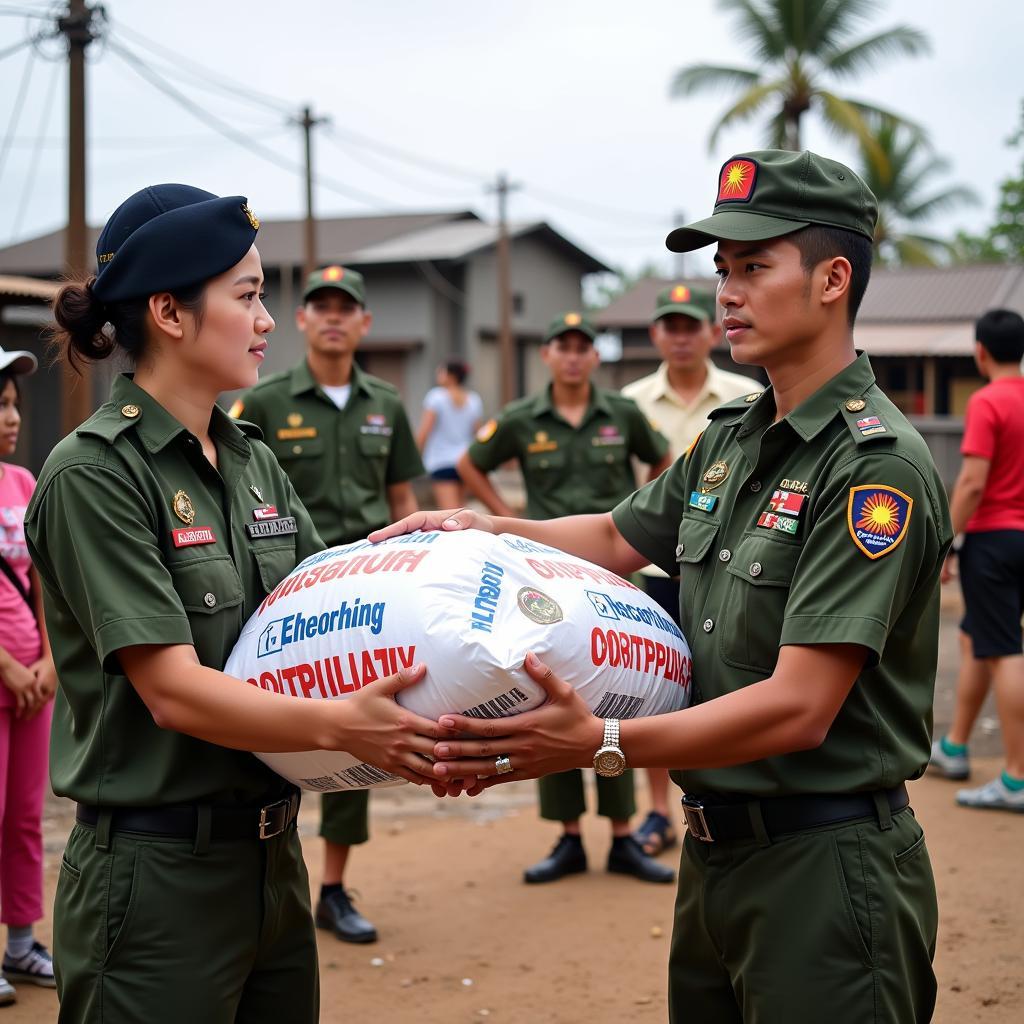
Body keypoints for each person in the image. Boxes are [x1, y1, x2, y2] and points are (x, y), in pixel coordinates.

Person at [377, 150, 951, 1023]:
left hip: (827, 867)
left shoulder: (876, 469)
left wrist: (600, 742)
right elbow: (615, 535)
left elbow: (800, 708)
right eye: (723, 270)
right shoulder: (730, 440)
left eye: (754, 267)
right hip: (714, 854)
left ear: (834, 279)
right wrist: (488, 529)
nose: (727, 291)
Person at [28, 186, 443, 1022]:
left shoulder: (250, 459)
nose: (269, 321)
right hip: (155, 882)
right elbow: (172, 690)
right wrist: (347, 727)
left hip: (270, 863)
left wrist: (405, 556)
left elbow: (309, 604)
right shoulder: (95, 474)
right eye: (248, 296)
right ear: (170, 313)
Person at [229, 264, 424, 944]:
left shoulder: (386, 403)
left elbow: (403, 499)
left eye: (348, 308)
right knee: (275, 729)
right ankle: (262, 872)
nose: (334, 317)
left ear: (365, 323)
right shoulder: (266, 401)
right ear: (304, 320)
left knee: (359, 727)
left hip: (371, 590)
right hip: (289, 592)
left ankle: (334, 886)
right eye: (321, 306)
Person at [457, 311, 675, 885]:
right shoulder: (523, 418)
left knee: (616, 696)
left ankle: (624, 833)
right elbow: (469, 464)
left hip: (613, 575)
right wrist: (509, 520)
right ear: (548, 355)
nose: (574, 356)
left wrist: (638, 508)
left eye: (583, 347)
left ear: (594, 357)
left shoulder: (621, 413)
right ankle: (569, 835)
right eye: (563, 347)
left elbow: (662, 462)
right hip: (544, 569)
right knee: (547, 689)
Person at [621, 282, 755, 856]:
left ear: (709, 332)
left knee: (725, 686)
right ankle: (657, 809)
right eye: (669, 327)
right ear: (656, 335)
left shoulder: (748, 396)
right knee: (655, 692)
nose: (680, 337)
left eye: (690, 326)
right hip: (653, 571)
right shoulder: (629, 402)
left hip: (728, 573)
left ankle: (720, 797)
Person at [930, 308, 1024, 812]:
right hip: (1020, 539)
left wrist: (944, 541)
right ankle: (955, 747)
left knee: (1003, 648)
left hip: (993, 541)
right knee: (976, 637)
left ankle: (1016, 778)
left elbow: (971, 481)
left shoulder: (988, 401)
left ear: (980, 351)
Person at [0, 348, 58, 1006]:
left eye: (13, 404)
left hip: (33, 684)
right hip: (3, 676)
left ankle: (21, 942)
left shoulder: (23, 483)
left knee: (23, 816)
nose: (12, 416)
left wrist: (45, 660)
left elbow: (40, 579)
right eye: (1, 406)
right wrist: (9, 666)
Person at [416, 360, 483, 510]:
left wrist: (415, 458)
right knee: (461, 510)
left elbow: (424, 432)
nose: (438, 375)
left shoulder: (436, 397)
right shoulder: (474, 399)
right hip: (465, 462)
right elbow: (479, 434)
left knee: (449, 513)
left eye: (441, 372)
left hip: (441, 461)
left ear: (450, 376)